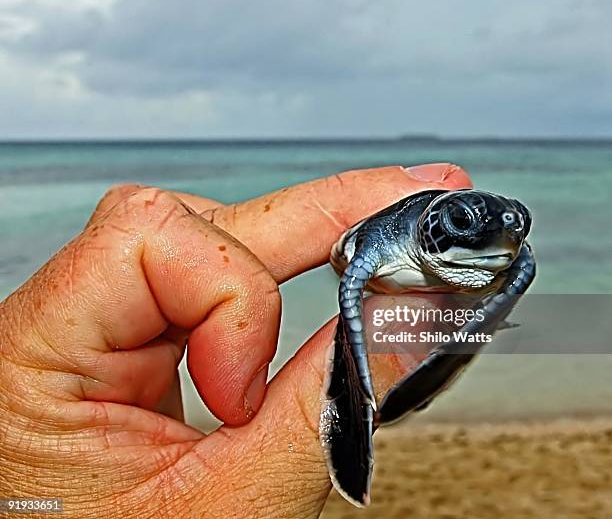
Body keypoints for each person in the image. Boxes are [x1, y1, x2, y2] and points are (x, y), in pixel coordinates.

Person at [0, 163, 471, 518]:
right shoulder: (388, 242)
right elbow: (356, 282)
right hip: (382, 250)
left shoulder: (495, 249)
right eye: (456, 223)